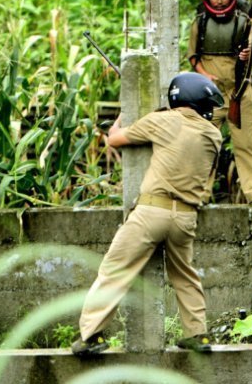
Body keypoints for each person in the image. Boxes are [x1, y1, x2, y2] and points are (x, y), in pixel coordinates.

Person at [71, 72, 224, 356]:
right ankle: (198, 334)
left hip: (152, 211)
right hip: (186, 217)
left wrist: (122, 115)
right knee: (185, 275)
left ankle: (90, 336)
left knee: (114, 271)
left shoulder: (162, 121)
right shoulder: (214, 134)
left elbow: (114, 139)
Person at [187, 0, 252, 207]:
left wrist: (249, 55)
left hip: (241, 91)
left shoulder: (246, 21)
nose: (219, 1)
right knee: (204, 144)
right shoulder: (200, 23)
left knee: (247, 144)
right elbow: (193, 57)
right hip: (208, 94)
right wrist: (205, 76)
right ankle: (199, 196)